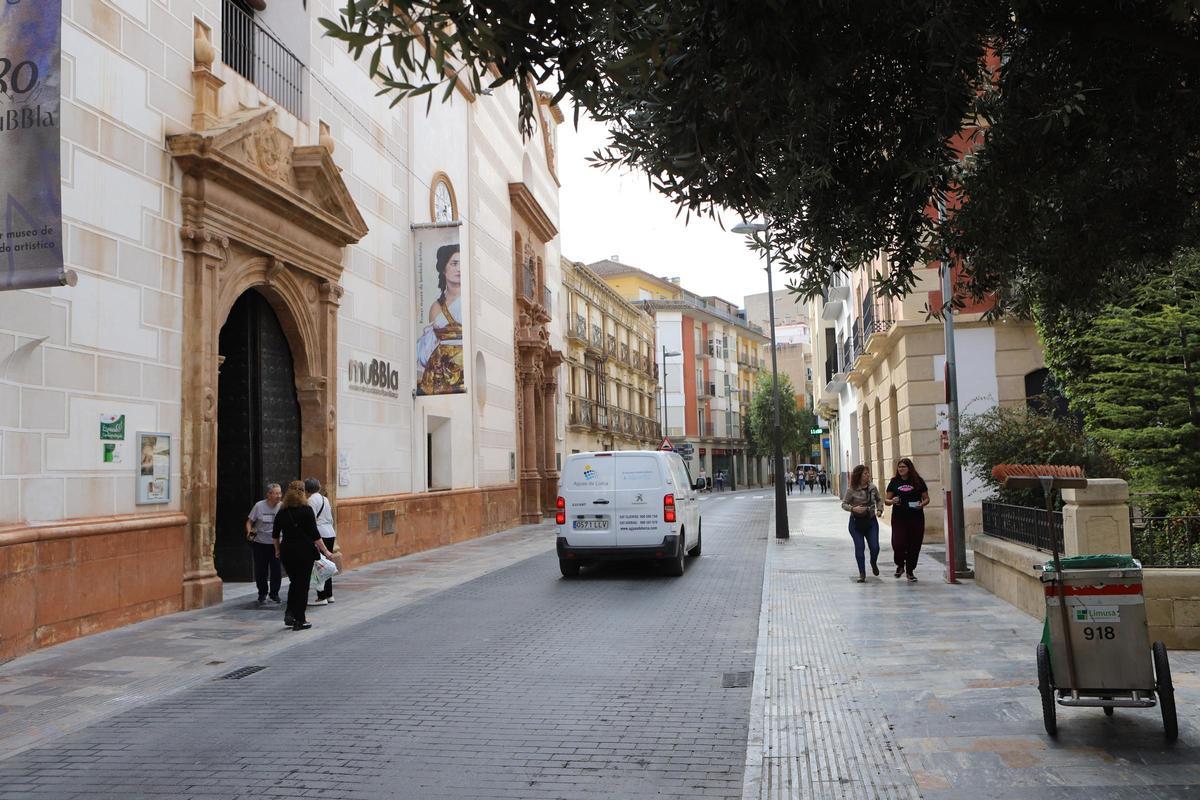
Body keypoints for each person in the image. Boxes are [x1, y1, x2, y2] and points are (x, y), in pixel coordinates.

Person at [273, 480, 334, 631]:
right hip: (304, 551)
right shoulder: (306, 510)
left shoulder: (282, 511)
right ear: (303, 492)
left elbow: (275, 535)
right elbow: (315, 535)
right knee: (302, 586)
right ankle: (300, 620)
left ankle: (290, 613)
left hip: (287, 551)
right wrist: (325, 551)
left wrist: (277, 550)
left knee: (294, 583)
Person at [416, 244, 465, 395]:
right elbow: (428, 348)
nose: (459, 269)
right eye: (454, 263)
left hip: (463, 372)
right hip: (439, 374)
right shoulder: (436, 307)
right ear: (444, 268)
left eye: (461, 264)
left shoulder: (466, 301)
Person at [884, 458, 930, 582]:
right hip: (899, 517)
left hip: (916, 517)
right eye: (899, 467)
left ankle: (910, 571)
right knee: (898, 543)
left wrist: (922, 504)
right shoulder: (894, 482)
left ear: (909, 468)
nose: (901, 469)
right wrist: (892, 501)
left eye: (904, 467)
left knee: (914, 544)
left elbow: (926, 498)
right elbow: (886, 500)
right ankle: (900, 564)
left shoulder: (918, 481)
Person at [841, 464, 883, 582]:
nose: (868, 475)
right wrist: (853, 509)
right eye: (865, 473)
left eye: (868, 473)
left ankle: (873, 562)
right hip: (856, 522)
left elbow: (879, 500)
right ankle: (862, 573)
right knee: (860, 547)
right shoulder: (851, 490)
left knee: (875, 547)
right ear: (859, 475)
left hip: (871, 521)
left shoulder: (873, 488)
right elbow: (844, 504)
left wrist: (879, 510)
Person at [245, 484, 283, 606]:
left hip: (276, 544)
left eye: (280, 493)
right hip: (260, 543)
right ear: (269, 494)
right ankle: (262, 593)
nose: (279, 496)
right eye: (276, 493)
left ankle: (274, 594)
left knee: (276, 570)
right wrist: (249, 532)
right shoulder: (259, 506)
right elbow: (249, 521)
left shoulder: (282, 507)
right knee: (261, 569)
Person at [306, 478, 337, 604]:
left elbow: (311, 520)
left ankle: (322, 596)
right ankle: (329, 594)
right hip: (330, 532)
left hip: (319, 534)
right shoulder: (325, 499)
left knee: (319, 566)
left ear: (307, 489)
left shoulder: (310, 501)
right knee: (326, 564)